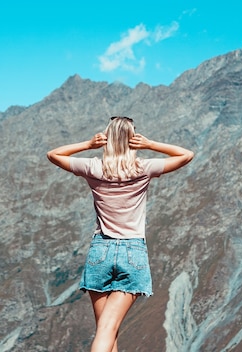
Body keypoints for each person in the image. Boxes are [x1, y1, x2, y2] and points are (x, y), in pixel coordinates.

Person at [46, 116, 194, 352]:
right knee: (108, 330)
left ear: (107, 139)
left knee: (107, 330)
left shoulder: (94, 168)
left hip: (100, 251)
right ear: (132, 140)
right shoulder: (143, 169)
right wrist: (150, 145)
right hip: (132, 253)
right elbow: (186, 155)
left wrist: (87, 144)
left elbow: (53, 155)